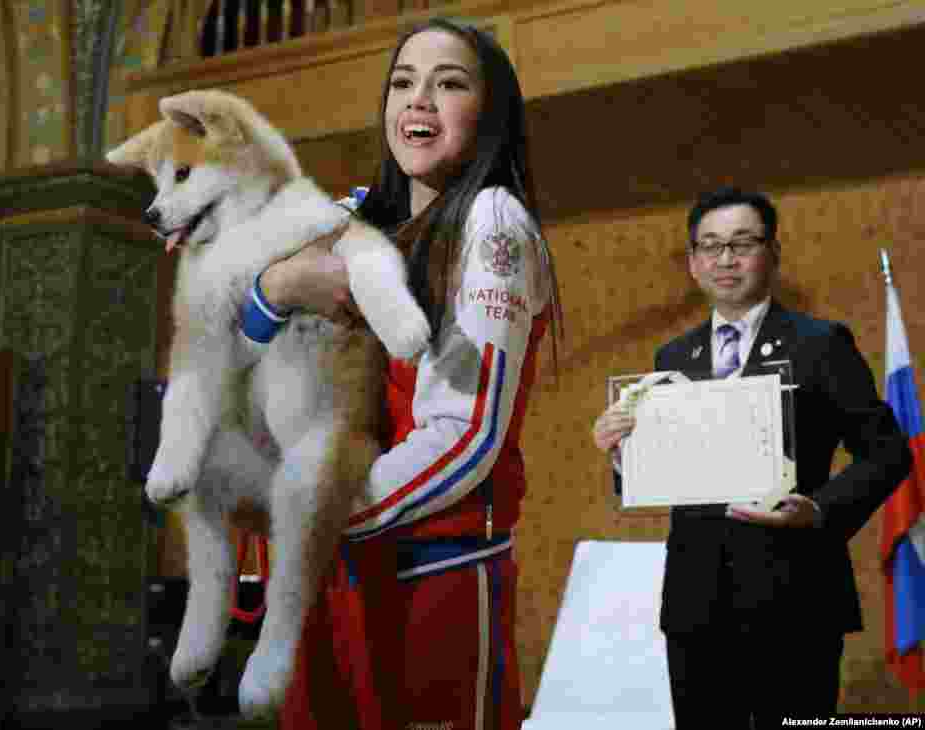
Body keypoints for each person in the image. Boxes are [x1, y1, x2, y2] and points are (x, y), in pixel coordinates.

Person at [240, 17, 561, 729]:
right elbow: (238, 334)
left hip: (430, 570)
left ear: (490, 113)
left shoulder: (492, 222)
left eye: (449, 84)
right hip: (335, 568)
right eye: (403, 82)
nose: (419, 100)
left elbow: (464, 437)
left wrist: (318, 516)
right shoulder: (360, 214)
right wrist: (282, 283)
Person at [592, 187, 912, 728]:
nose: (725, 259)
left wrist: (819, 509)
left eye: (742, 244)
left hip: (795, 597)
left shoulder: (820, 344)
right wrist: (625, 456)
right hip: (697, 604)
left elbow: (887, 453)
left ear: (772, 254)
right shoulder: (674, 357)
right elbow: (663, 477)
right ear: (693, 262)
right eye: (711, 246)